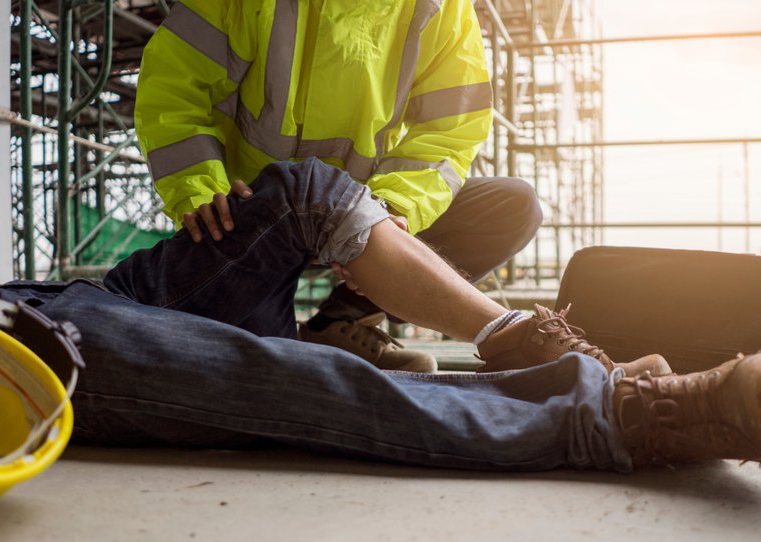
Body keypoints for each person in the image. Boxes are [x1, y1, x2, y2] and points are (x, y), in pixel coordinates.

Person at [0, 160, 761, 471]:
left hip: (62, 295)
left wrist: (382, 213)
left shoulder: (435, 18)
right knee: (251, 374)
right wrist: (194, 171)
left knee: (302, 193)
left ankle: (508, 335)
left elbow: (445, 147)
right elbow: (176, 89)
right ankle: (609, 414)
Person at [134, 0, 542, 372]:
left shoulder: (441, 7)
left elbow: (448, 132)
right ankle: (284, 333)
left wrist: (394, 210)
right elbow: (175, 90)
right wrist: (200, 191)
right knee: (268, 371)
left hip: (362, 217)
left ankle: (343, 321)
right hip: (250, 217)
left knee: (512, 205)